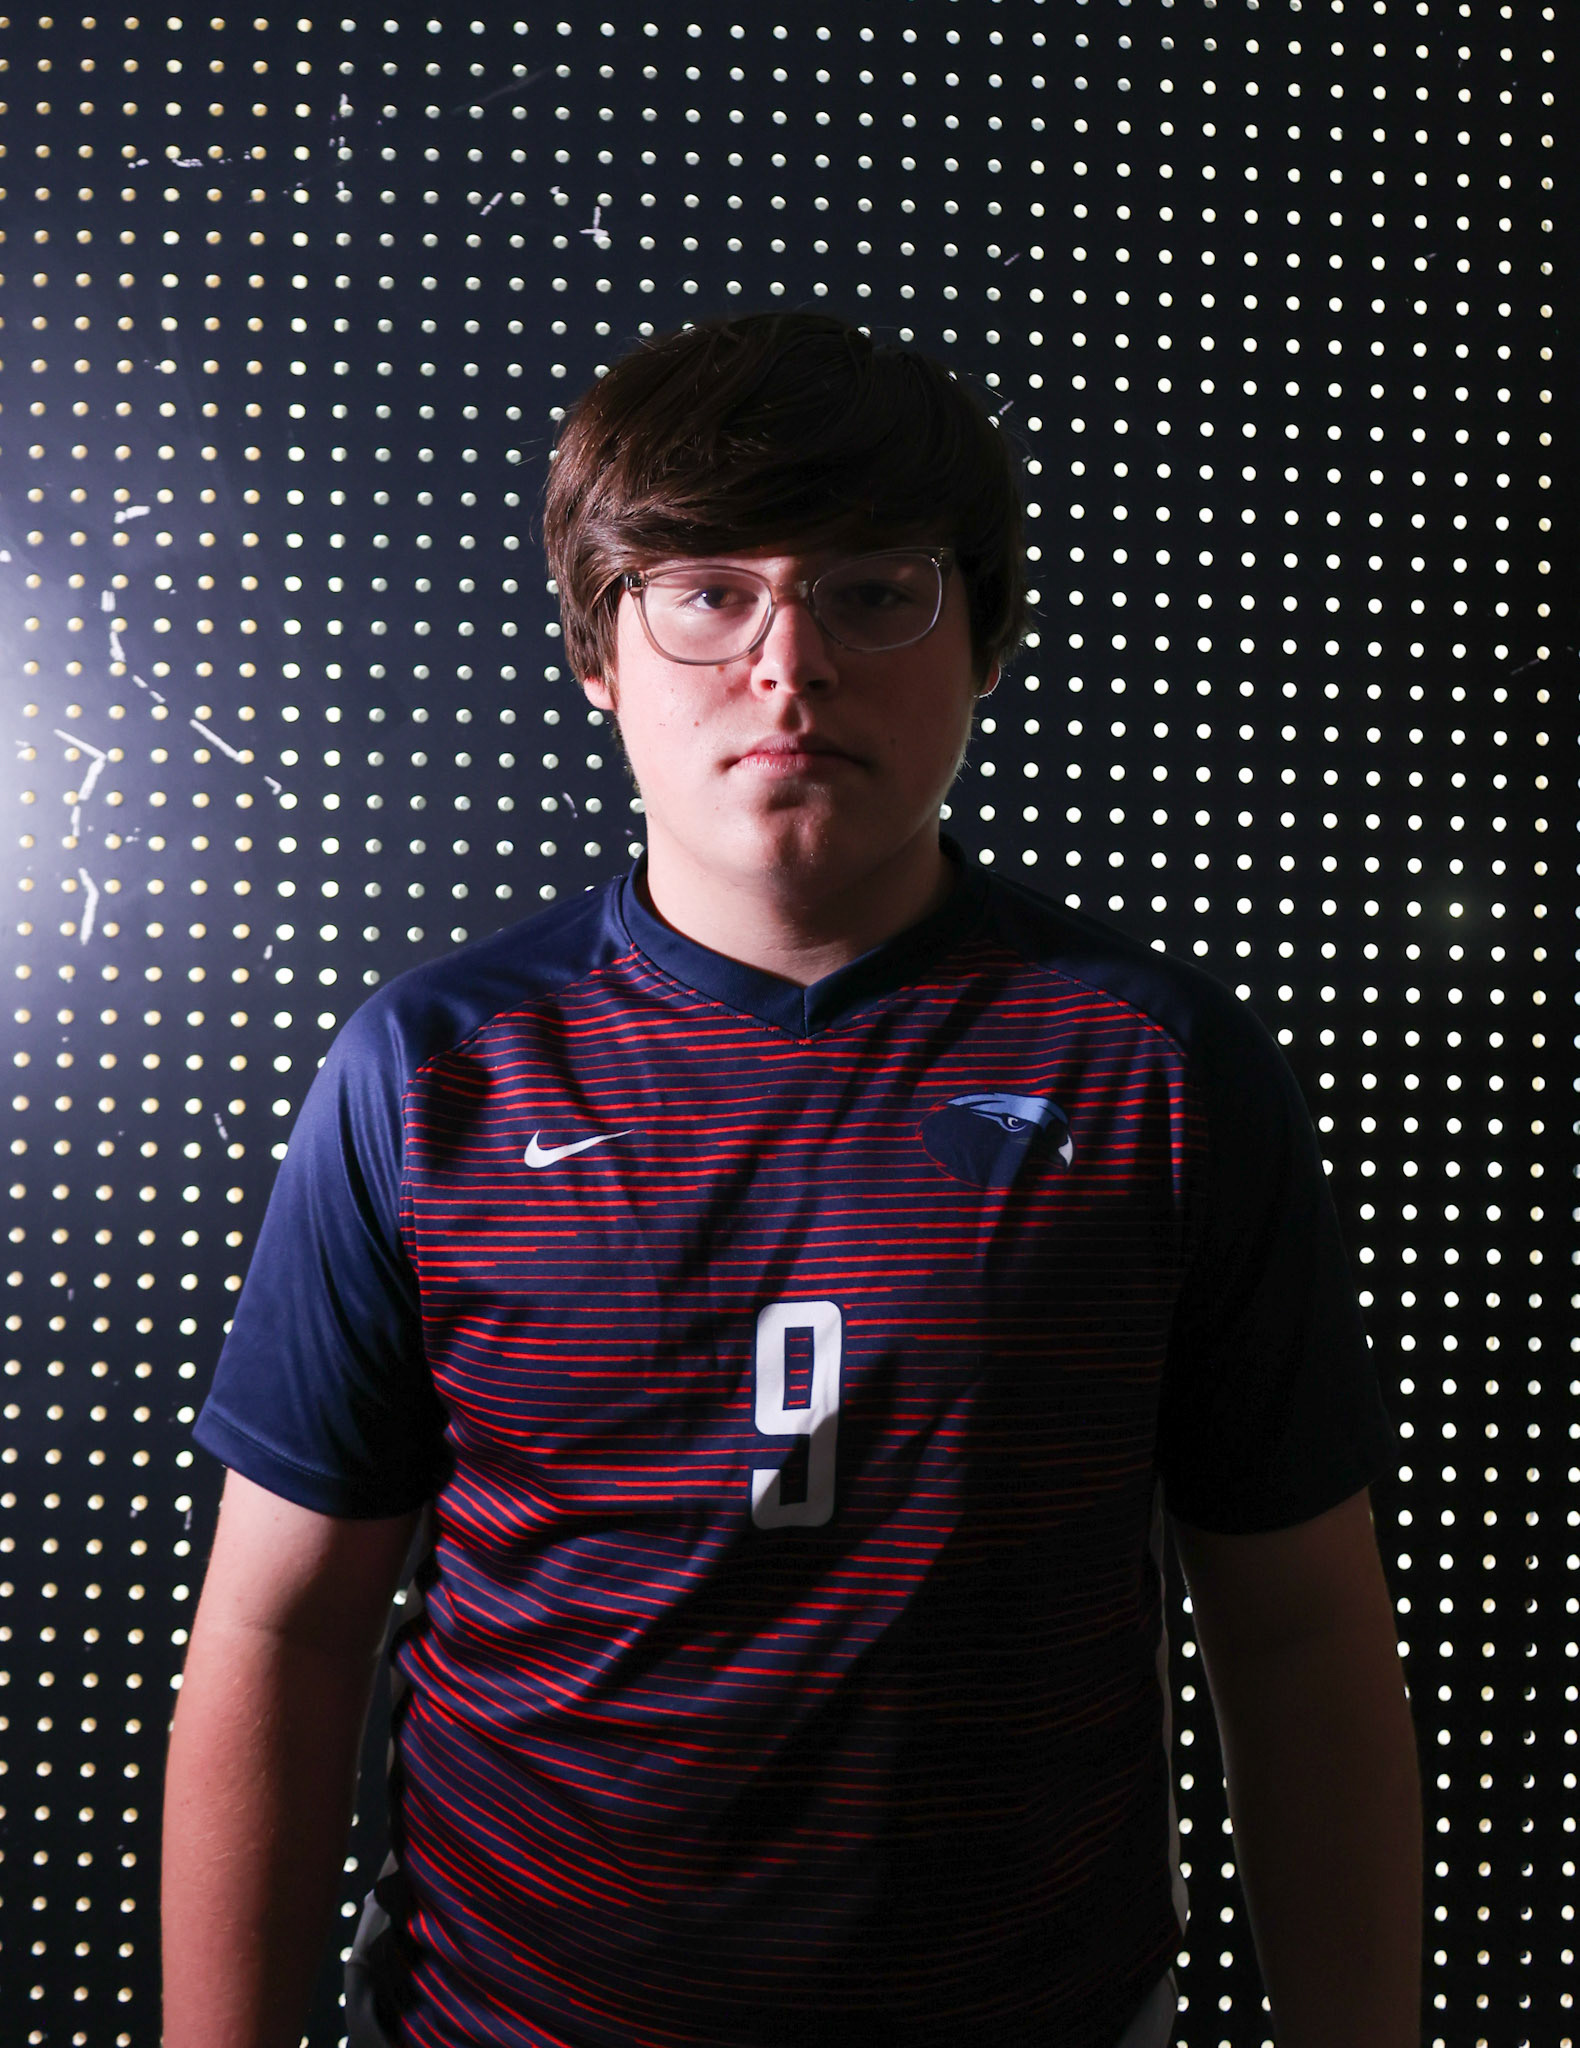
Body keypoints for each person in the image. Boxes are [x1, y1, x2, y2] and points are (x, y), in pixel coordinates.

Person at [162, 310, 1422, 2048]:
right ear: (598, 650)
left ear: (983, 638)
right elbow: (282, 1633)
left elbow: (1297, 1641)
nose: (788, 664)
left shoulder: (1155, 1071)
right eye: (706, 592)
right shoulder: (431, 1074)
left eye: (873, 589)